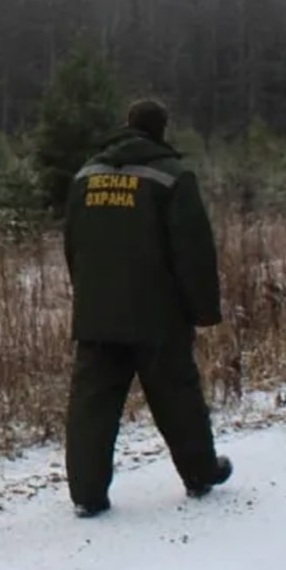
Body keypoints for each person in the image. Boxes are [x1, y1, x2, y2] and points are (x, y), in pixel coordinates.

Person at [61, 98, 233, 518]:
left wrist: (85, 293)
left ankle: (86, 494)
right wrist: (204, 311)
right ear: (161, 130)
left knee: (92, 405)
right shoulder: (172, 176)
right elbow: (193, 251)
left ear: (126, 125)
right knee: (178, 398)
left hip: (97, 313)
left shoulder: (86, 175)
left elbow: (73, 242)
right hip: (158, 315)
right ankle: (200, 474)